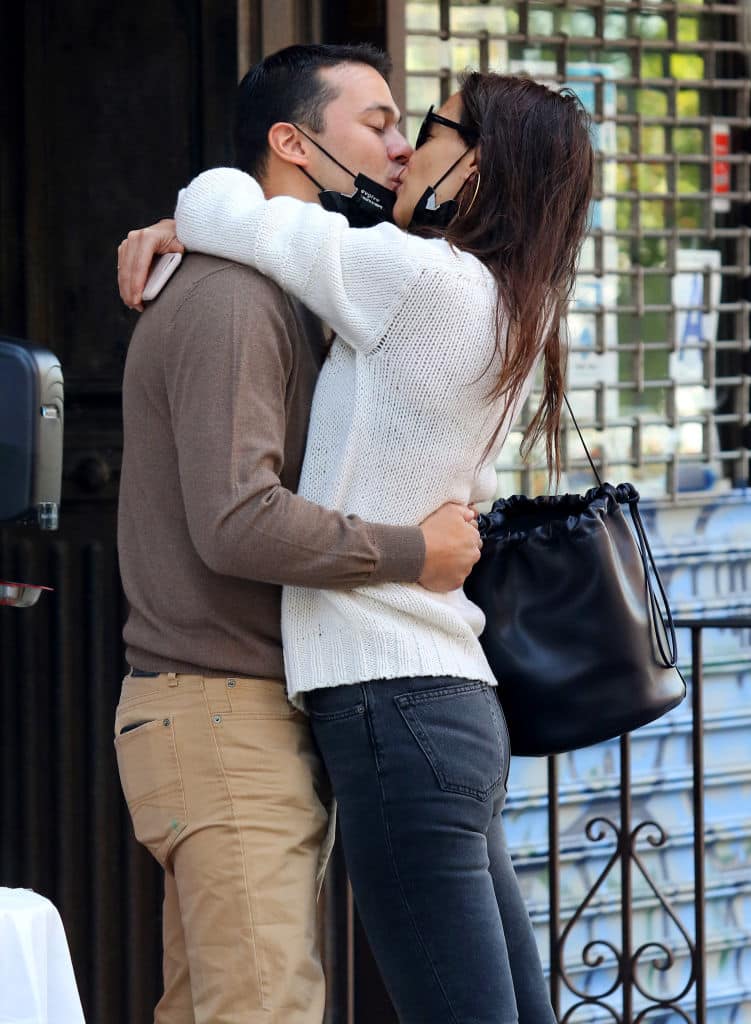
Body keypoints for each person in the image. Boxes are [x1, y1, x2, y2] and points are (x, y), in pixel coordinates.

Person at [157, 71, 595, 1023]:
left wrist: (178, 229)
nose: (404, 149)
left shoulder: (417, 278)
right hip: (449, 698)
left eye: (426, 127)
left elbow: (215, 201)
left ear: (471, 166)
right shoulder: (511, 304)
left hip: (391, 701)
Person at [114, 43, 482, 1024]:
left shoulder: (279, 284)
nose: (402, 150)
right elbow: (238, 521)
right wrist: (418, 550)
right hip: (222, 714)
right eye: (377, 123)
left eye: (409, 128)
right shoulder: (237, 299)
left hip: (228, 714)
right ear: (291, 143)